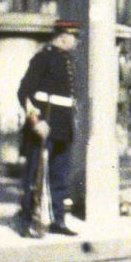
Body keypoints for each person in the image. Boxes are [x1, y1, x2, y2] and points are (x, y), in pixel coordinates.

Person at [13, 20, 81, 238]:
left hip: (63, 126)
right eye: (74, 36)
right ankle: (27, 221)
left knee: (60, 175)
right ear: (62, 36)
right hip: (45, 123)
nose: (76, 41)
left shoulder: (68, 61)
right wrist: (36, 121)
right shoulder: (43, 58)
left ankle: (57, 220)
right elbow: (24, 92)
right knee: (35, 174)